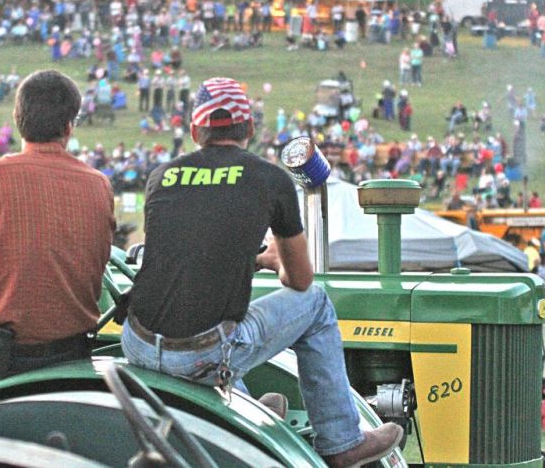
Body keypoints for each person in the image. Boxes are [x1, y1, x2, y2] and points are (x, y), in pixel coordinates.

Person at [121, 77, 403, 466]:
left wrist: (255, 259)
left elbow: (184, 257)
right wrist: (274, 260)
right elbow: (301, 281)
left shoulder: (160, 177)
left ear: (193, 131)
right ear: (250, 129)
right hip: (198, 353)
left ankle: (248, 407)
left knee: (219, 312)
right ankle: (342, 442)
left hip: (136, 343)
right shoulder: (270, 179)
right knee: (316, 305)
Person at [0, 70, 116, 387]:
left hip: (1, 354)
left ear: (18, 119)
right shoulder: (99, 184)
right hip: (71, 348)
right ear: (69, 127)